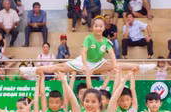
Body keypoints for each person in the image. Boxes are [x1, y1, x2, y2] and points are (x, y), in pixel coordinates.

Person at [21, 17, 152, 79]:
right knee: (59, 67)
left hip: (98, 63)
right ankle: (32, 70)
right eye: (96, 26)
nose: (99, 28)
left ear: (104, 28)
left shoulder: (106, 41)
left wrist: (115, 64)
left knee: (118, 65)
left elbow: (112, 53)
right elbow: (83, 53)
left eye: (101, 26)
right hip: (83, 62)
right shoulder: (88, 39)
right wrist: (84, 66)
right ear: (93, 28)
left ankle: (141, 67)